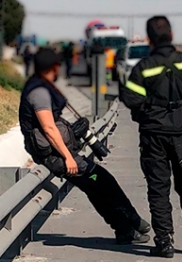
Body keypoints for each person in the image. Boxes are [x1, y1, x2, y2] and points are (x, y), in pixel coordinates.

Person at [19, 47, 150, 245]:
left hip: (57, 153)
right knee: (101, 181)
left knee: (97, 186)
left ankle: (126, 228)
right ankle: (130, 223)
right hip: (56, 157)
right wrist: (68, 157)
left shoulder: (40, 87)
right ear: (53, 67)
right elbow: (48, 128)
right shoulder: (39, 93)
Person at [120, 16, 182, 258]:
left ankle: (164, 242)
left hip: (153, 135)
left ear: (150, 39)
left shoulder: (144, 67)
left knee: (158, 188)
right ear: (172, 35)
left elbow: (130, 99)